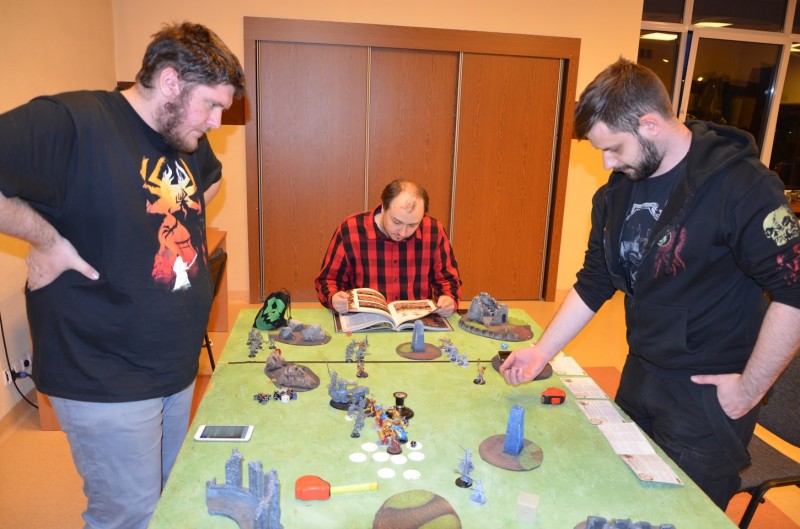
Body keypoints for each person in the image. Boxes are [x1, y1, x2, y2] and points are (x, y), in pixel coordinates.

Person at [501, 57, 800, 509]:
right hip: (641, 374)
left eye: (614, 148)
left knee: (684, 514)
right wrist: (542, 351)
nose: (607, 162)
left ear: (650, 124)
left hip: (706, 394)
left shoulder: (742, 188)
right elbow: (595, 280)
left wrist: (750, 390)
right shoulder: (618, 190)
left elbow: (794, 292)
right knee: (625, 497)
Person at [0, 22, 244, 529]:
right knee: (130, 515)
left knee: (170, 496)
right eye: (211, 105)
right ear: (171, 82)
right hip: (104, 373)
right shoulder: (72, 122)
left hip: (173, 366)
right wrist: (46, 239)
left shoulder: (185, 137)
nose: (217, 122)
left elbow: (210, 181)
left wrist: (183, 218)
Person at [315, 179, 462, 316]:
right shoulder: (351, 230)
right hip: (364, 319)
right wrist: (334, 297)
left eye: (412, 225)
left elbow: (449, 281)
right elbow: (328, 280)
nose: (403, 232)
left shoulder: (433, 231)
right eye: (397, 222)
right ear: (383, 208)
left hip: (416, 321)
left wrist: (448, 299)